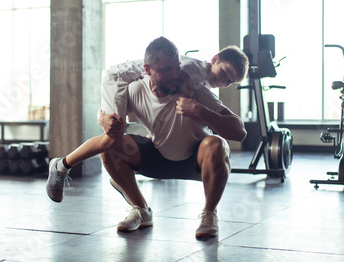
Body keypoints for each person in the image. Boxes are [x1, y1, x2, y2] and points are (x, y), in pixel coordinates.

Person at [46, 40, 249, 206]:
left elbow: (236, 130)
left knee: (116, 135)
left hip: (184, 155)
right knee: (111, 139)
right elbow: (170, 95)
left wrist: (198, 112)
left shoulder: (198, 84)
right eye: (224, 73)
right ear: (214, 59)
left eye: (230, 82)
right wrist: (101, 117)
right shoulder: (188, 72)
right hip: (115, 79)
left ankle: (203, 213)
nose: (224, 82)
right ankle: (62, 165)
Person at [98, 36, 247, 238]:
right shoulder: (136, 89)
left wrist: (200, 111)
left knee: (217, 144)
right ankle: (140, 210)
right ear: (149, 70)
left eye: (176, 69)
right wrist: (102, 118)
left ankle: (209, 214)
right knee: (109, 146)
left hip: (195, 161)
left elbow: (240, 131)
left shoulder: (195, 89)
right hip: (157, 156)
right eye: (166, 70)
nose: (174, 75)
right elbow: (112, 115)